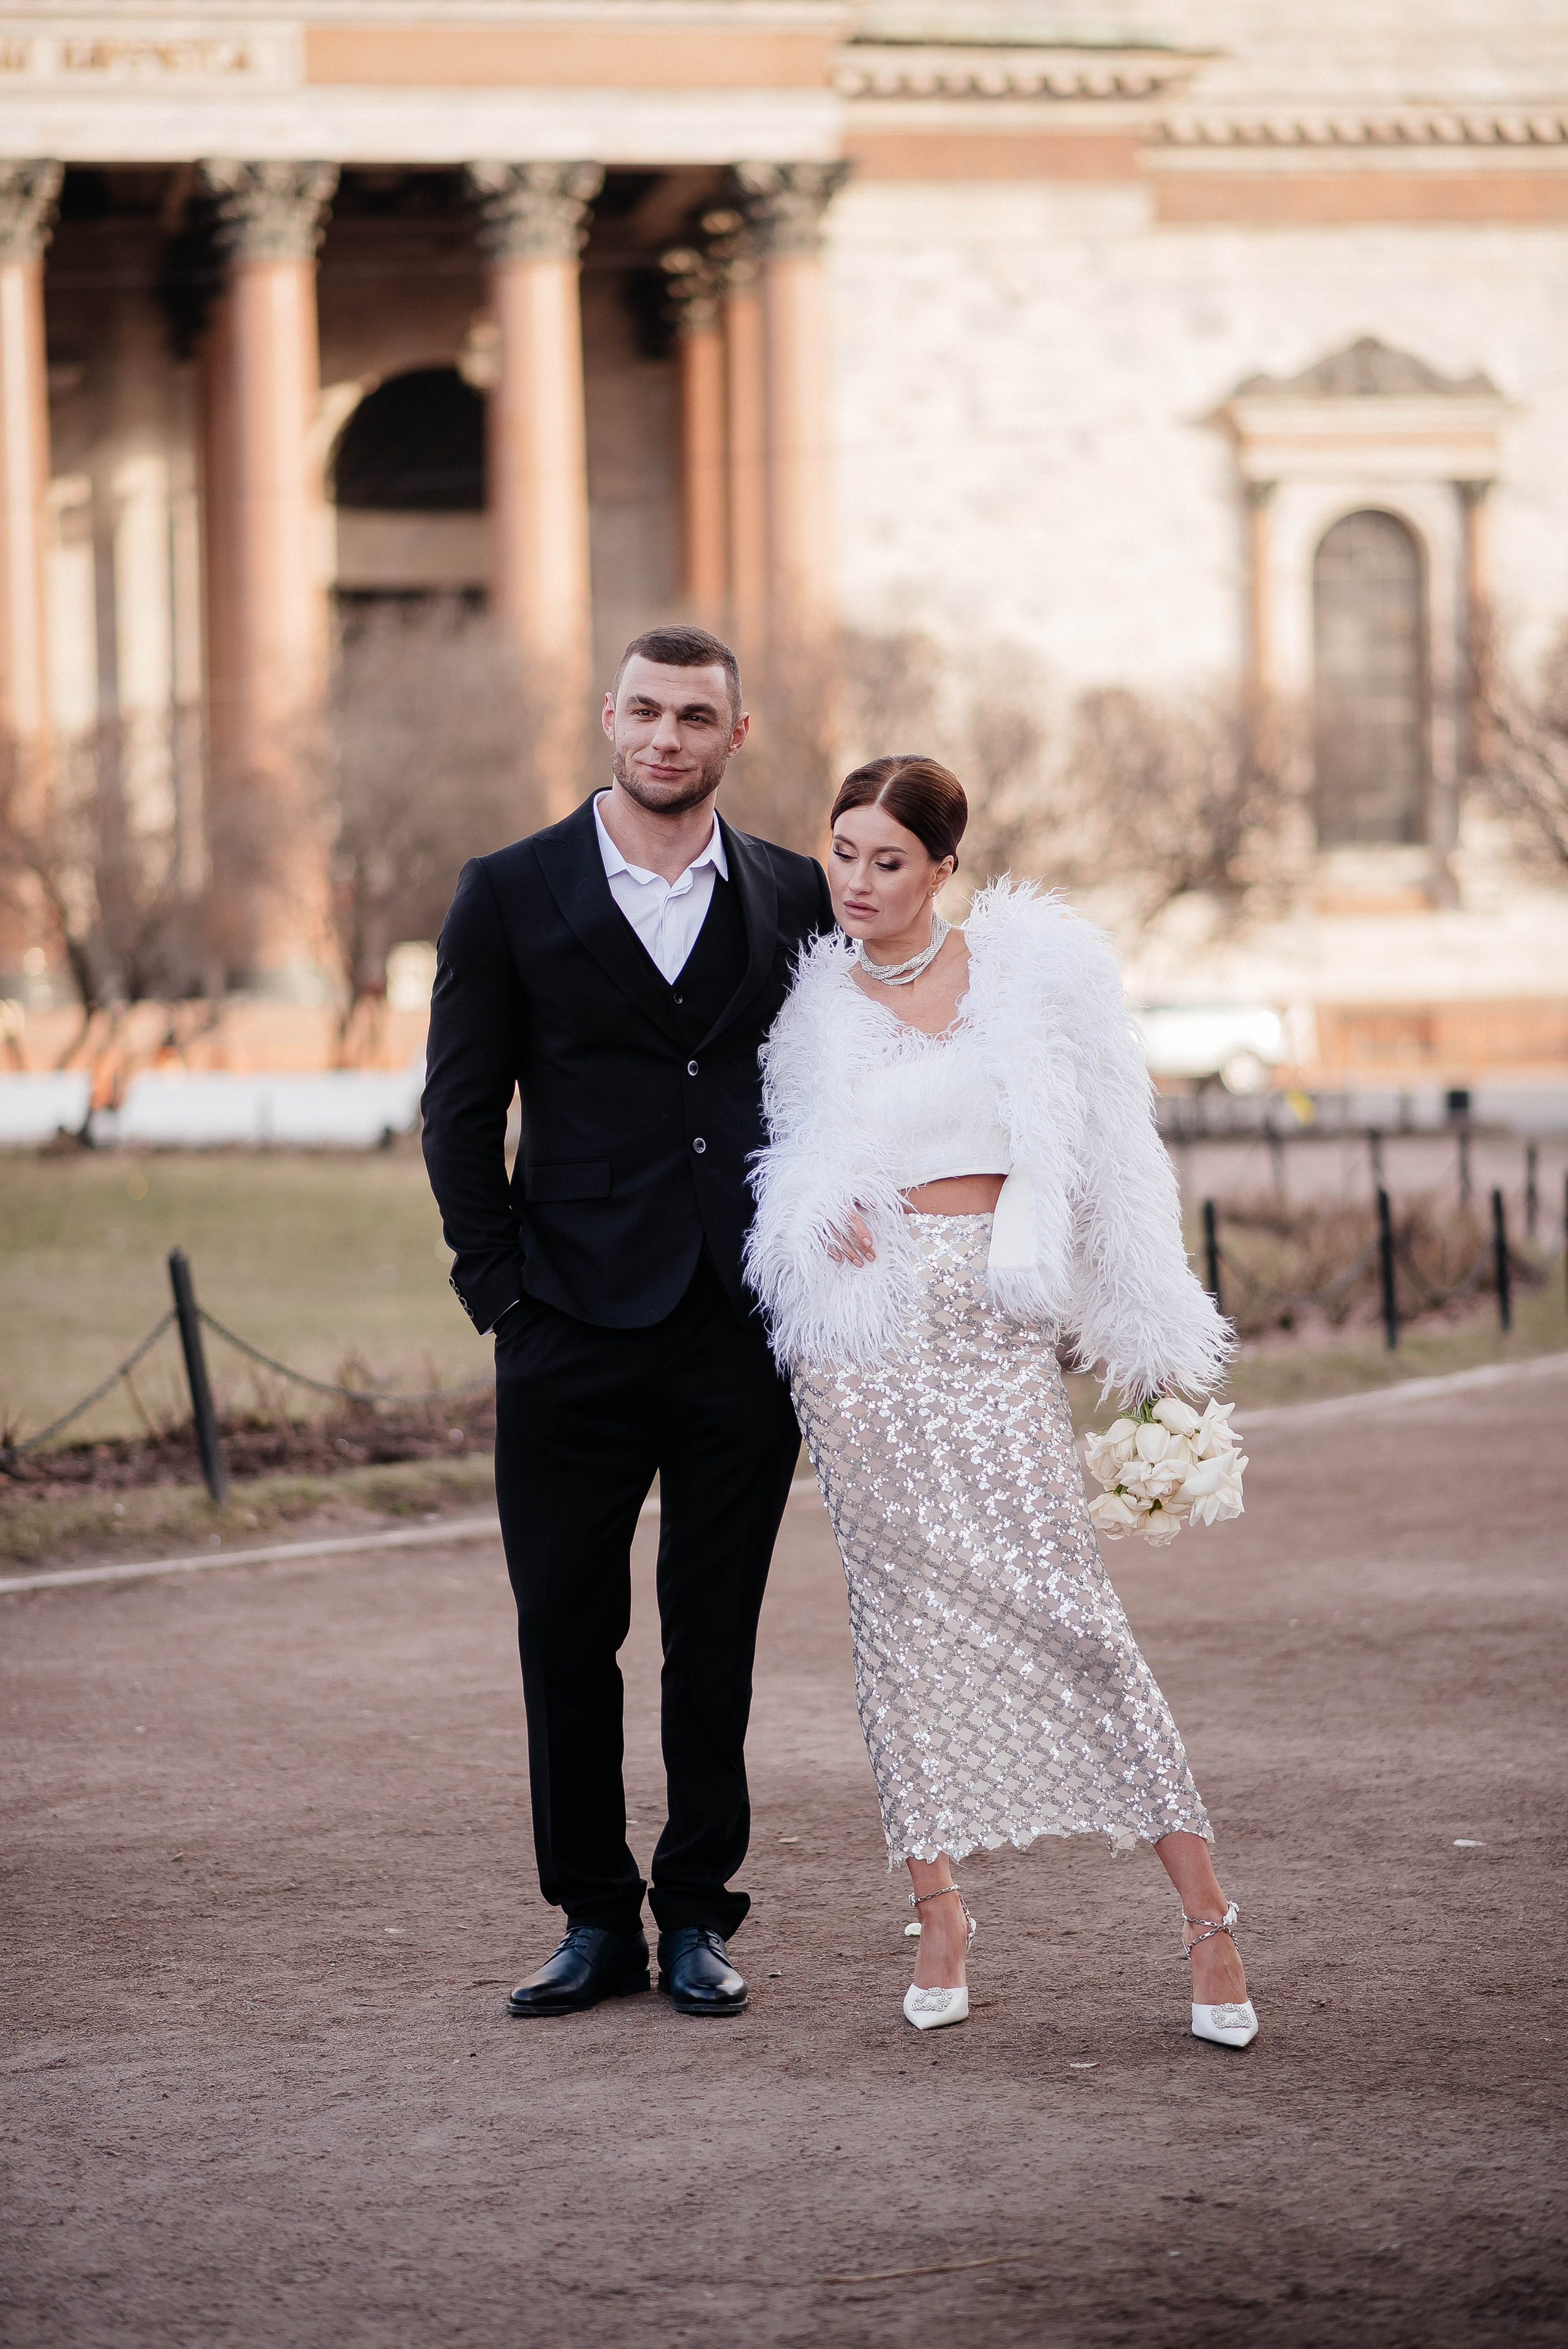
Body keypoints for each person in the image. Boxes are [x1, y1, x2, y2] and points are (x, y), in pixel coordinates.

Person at [745, 754, 1259, 2049]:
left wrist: (1149, 1341)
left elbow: (1114, 1162)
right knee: (899, 1628)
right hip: (865, 1349)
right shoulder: (814, 1004)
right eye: (842, 853)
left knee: (1070, 1616)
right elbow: (792, 1169)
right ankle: (936, 1910)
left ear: (942, 870)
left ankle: (1205, 1921)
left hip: (993, 1317)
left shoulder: (1033, 977)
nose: (855, 883)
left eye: (886, 861)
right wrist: (824, 1215)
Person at [421, 626, 832, 2019]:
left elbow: (838, 1094)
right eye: (645, 711)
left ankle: (699, 1914)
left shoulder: (792, 893)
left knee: (711, 1635)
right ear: (608, 717)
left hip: (736, 1330)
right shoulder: (507, 892)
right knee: (564, 1632)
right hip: (569, 1327)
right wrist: (499, 1294)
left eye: (695, 716)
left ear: (736, 733)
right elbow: (459, 1113)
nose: (666, 736)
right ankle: (593, 1919)